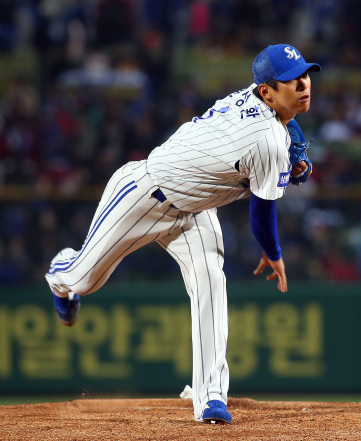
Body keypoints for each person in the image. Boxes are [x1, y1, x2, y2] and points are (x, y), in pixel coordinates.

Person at [45, 44, 321, 424]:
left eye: (305, 75)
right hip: (143, 193)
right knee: (85, 280)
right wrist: (273, 252)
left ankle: (210, 396)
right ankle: (62, 272)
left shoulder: (261, 102)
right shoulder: (268, 140)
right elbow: (262, 210)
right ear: (267, 92)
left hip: (192, 210)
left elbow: (286, 122)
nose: (304, 84)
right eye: (293, 80)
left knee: (210, 280)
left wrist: (297, 156)